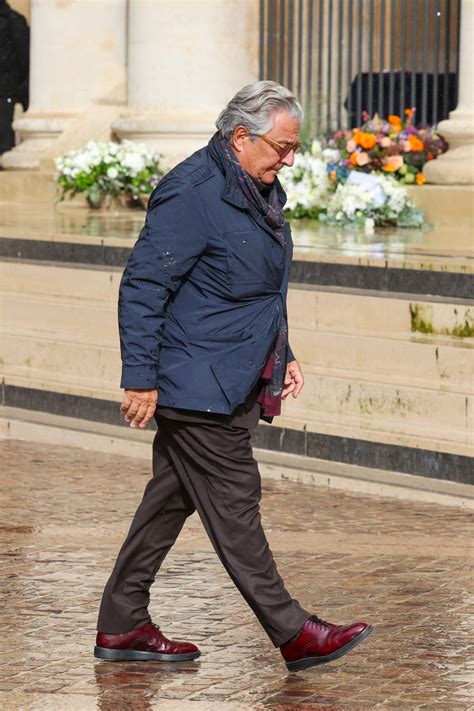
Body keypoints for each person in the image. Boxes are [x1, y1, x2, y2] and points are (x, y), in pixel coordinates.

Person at [95, 81, 372, 673]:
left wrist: (284, 350)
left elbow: (252, 288)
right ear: (240, 136)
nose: (289, 159)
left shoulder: (256, 184)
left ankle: (121, 625)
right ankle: (294, 632)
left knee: (169, 501)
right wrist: (140, 377)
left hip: (229, 369)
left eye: (295, 148)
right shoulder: (192, 192)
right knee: (236, 500)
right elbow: (144, 285)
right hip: (197, 380)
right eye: (281, 146)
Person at [0, 0, 29, 156]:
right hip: (7, 91)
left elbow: (24, 57)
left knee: (4, 139)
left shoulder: (13, 21)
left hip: (5, 92)